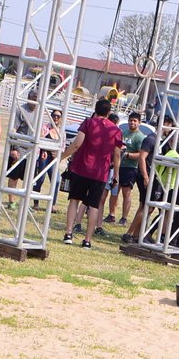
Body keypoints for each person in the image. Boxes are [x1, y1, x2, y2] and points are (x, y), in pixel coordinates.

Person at [59, 98, 123, 250]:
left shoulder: (88, 123)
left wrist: (62, 156)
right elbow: (117, 154)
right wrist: (116, 174)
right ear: (109, 112)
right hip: (101, 173)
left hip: (81, 168)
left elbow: (77, 144)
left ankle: (68, 234)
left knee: (74, 200)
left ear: (95, 109)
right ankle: (87, 240)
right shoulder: (116, 130)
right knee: (94, 206)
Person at [111, 110, 150, 228]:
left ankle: (124, 217)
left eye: (134, 121)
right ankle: (111, 214)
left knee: (126, 193)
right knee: (114, 191)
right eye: (130, 120)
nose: (132, 123)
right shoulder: (123, 133)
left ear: (139, 123)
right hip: (119, 166)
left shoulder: (140, 137)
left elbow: (141, 155)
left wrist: (127, 154)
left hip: (130, 168)